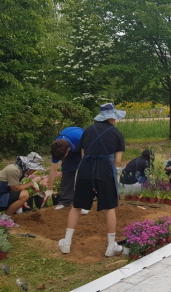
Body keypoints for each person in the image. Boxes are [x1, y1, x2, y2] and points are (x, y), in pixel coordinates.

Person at [58, 103, 126, 257]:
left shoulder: (87, 130)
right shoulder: (116, 133)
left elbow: (82, 154)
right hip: (105, 170)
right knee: (109, 208)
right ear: (111, 116)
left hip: (86, 169)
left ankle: (66, 243)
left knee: (76, 206)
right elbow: (118, 160)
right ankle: (111, 247)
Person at [0, 152, 45, 221]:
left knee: (22, 194)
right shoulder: (14, 170)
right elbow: (15, 189)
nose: (34, 171)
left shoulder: (18, 169)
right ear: (29, 167)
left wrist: (20, 203)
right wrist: (31, 184)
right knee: (24, 194)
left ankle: (12, 215)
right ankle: (3, 220)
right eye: (34, 169)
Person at [47, 127, 84, 211]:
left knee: (84, 173)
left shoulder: (79, 137)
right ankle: (65, 201)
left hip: (83, 147)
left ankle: (84, 200)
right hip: (71, 150)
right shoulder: (57, 148)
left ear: (68, 150)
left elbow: (84, 157)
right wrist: (50, 189)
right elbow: (53, 170)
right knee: (67, 172)